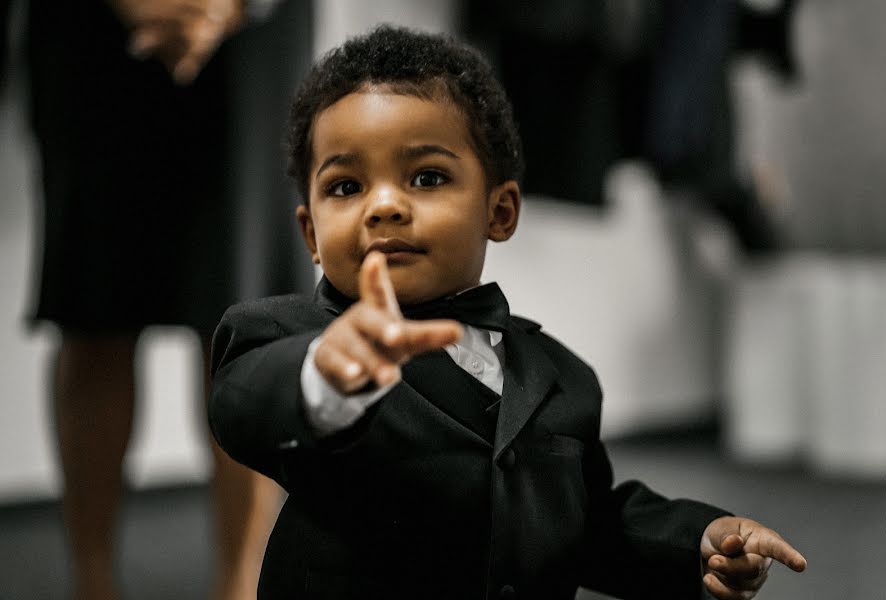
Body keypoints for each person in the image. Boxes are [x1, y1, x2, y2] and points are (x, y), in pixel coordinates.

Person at [208, 25, 807, 600]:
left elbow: (587, 521)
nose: (384, 205)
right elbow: (245, 405)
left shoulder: (562, 378)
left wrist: (699, 542)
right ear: (311, 233)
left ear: (500, 213)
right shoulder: (287, 337)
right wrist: (324, 375)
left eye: (426, 176)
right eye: (346, 187)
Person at [23, 1, 312, 598]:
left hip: (252, 35)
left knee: (245, 323)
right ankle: (91, 585)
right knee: (93, 308)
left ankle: (239, 587)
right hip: (94, 30)